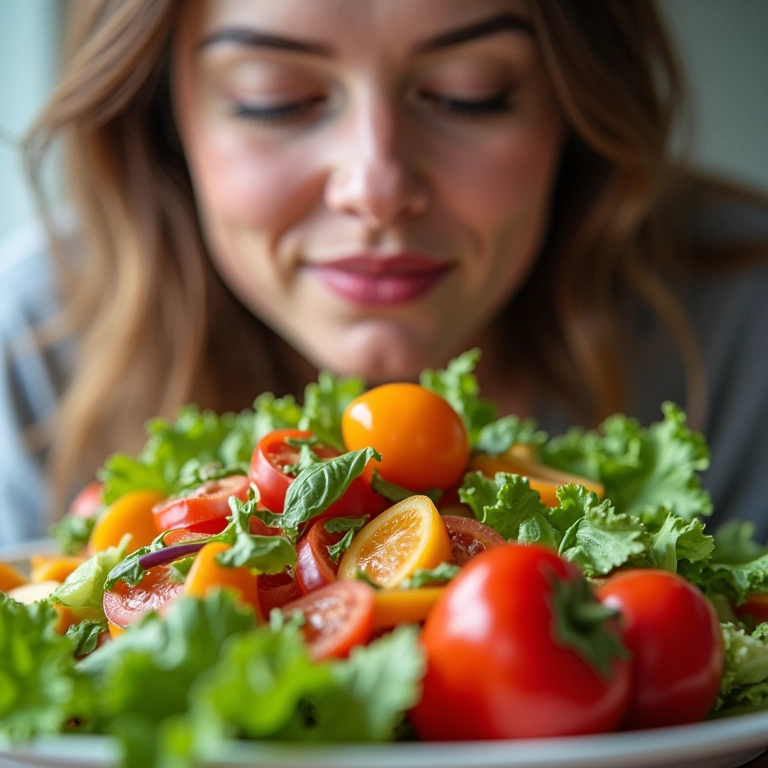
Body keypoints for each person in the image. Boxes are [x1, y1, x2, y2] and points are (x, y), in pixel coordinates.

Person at [1, 0, 767, 548]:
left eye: (470, 93)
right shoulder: (36, 332)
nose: (374, 186)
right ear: (165, 118)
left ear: (571, 105)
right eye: (276, 101)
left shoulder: (744, 310)